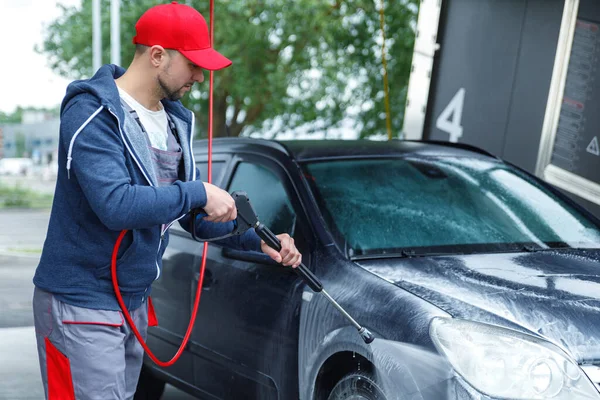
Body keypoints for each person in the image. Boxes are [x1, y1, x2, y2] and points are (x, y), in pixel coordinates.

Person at [31, 2, 302, 399]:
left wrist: (255, 239)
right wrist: (198, 191)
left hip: (132, 302)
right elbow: (116, 205)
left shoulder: (174, 121)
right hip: (81, 304)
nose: (200, 74)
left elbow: (190, 217)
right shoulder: (91, 112)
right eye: (193, 64)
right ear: (157, 55)